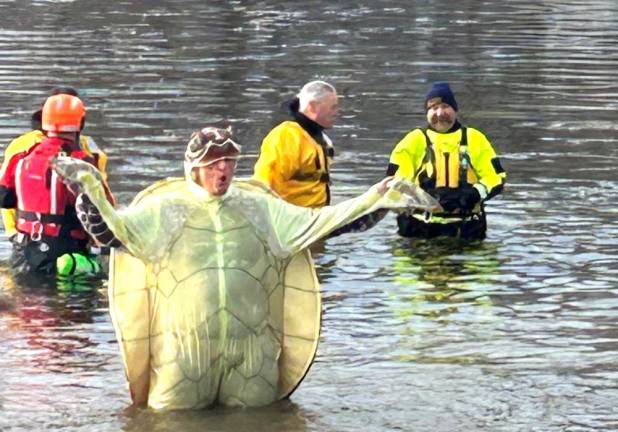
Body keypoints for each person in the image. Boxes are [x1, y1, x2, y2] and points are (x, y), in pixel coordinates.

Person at [52, 124, 438, 410]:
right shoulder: (163, 210)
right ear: (194, 167)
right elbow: (112, 232)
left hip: (252, 351)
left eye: (229, 162)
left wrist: (378, 197)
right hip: (182, 352)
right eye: (214, 162)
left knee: (260, 418)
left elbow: (326, 223)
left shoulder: (260, 207)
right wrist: (90, 189)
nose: (223, 170)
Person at [0, 93, 114, 275]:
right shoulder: (81, 162)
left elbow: (5, 199)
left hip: (23, 252)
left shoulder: (20, 157)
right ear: (80, 124)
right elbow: (104, 212)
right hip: (65, 254)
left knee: (26, 300)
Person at [387, 81, 506, 240]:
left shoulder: (475, 139)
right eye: (434, 108)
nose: (439, 113)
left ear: (455, 110)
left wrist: (473, 194)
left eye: (445, 107)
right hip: (419, 231)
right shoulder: (412, 141)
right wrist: (424, 196)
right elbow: (394, 184)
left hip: (467, 230)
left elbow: (496, 178)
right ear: (427, 112)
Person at [253, 80, 338, 208]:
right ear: (313, 107)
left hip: (317, 216)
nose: (337, 112)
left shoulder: (321, 139)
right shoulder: (286, 137)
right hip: (292, 219)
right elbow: (265, 184)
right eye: (333, 107)